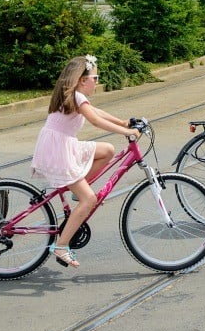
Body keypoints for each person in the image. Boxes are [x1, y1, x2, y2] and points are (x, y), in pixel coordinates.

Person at [30, 55, 140, 268]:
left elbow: (96, 112)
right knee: (89, 200)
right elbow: (96, 120)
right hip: (60, 150)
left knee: (107, 150)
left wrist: (121, 121)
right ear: (82, 80)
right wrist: (127, 131)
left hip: (63, 145)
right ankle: (61, 246)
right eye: (95, 78)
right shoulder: (77, 96)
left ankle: (78, 189)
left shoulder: (76, 96)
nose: (97, 82)